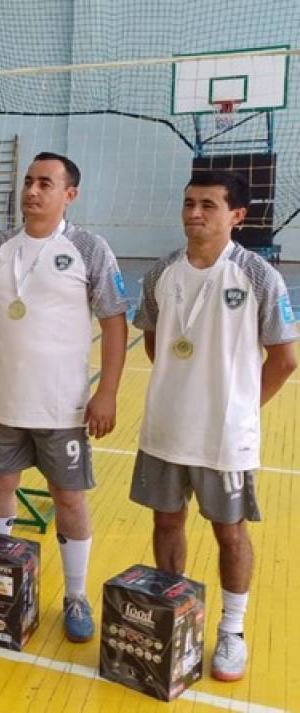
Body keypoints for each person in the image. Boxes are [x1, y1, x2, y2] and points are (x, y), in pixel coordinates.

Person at [0, 152, 128, 644]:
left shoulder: (89, 248)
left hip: (63, 407)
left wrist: (107, 391)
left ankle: (75, 594)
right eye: (28, 180)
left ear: (70, 194)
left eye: (46, 183)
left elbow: (114, 322)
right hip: (4, 401)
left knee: (68, 498)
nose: (32, 190)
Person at [132, 170, 297, 681]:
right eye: (189, 203)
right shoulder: (162, 272)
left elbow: (285, 359)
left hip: (224, 437)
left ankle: (232, 630)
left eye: (208, 205)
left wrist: (244, 407)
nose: (195, 213)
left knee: (230, 533)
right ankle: (173, 610)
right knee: (166, 523)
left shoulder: (258, 277)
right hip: (165, 429)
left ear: (237, 216)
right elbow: (154, 342)